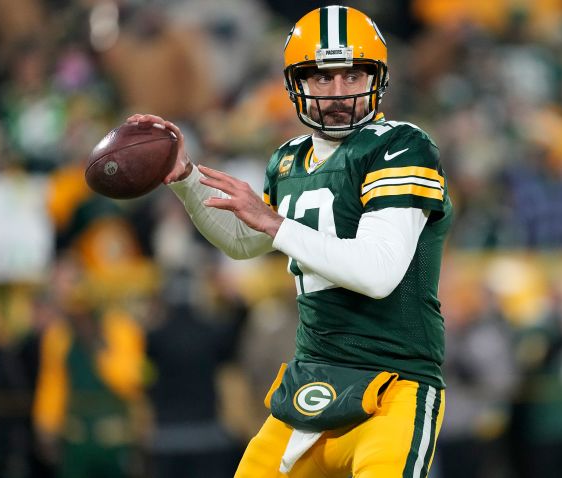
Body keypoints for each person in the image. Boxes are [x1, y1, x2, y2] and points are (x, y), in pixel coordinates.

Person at [129, 5, 452, 477]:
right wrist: (185, 179)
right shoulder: (287, 161)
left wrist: (274, 223)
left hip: (392, 386)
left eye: (351, 75)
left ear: (377, 78)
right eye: (322, 78)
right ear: (296, 83)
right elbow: (244, 242)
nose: (338, 92)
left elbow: (378, 273)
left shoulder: (401, 145)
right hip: (313, 380)